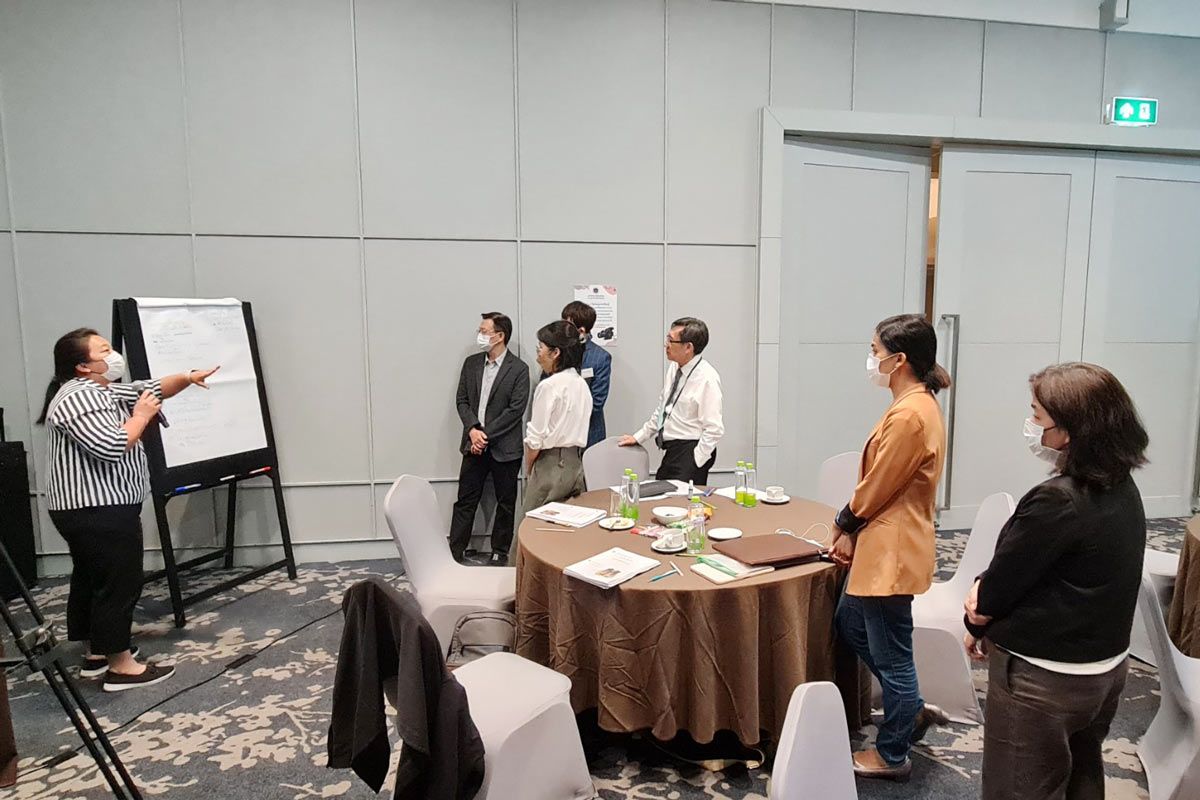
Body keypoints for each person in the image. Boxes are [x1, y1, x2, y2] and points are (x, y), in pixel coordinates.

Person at [964, 363, 1148, 800]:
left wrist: (976, 614)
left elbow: (999, 587)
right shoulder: (1123, 487)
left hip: (1043, 680)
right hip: (1106, 670)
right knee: (1083, 777)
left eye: (1037, 416)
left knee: (1018, 788)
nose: (1031, 426)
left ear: (1068, 431)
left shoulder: (1056, 500)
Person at [36, 328, 218, 692]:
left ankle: (97, 653)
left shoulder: (101, 389)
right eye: (104, 350)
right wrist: (141, 416)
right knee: (118, 583)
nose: (113, 355)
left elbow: (150, 389)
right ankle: (121, 667)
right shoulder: (76, 398)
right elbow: (112, 444)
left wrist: (187, 377)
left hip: (99, 507)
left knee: (94, 578)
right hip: (96, 508)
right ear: (83, 366)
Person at [829, 313, 950, 781]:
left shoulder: (912, 414)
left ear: (899, 360)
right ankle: (910, 707)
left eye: (875, 351)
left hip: (891, 551)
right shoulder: (910, 405)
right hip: (883, 541)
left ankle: (893, 751)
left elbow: (880, 483)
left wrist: (844, 523)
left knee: (893, 654)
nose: (871, 359)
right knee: (849, 622)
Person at [449, 312, 530, 565]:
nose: (480, 335)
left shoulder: (519, 369)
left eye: (484, 331)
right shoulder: (471, 363)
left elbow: (515, 410)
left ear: (500, 336)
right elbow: (462, 401)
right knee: (465, 499)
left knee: (506, 502)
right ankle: (455, 550)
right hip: (473, 443)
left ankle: (500, 551)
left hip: (504, 447)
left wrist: (485, 435)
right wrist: (473, 430)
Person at [618, 317, 723, 485]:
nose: (666, 345)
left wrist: (697, 459)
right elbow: (664, 409)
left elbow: (714, 429)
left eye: (671, 340)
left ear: (688, 347)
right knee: (661, 494)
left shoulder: (707, 378)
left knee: (679, 499)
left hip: (690, 450)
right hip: (672, 451)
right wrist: (640, 436)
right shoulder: (675, 367)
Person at [518, 321, 592, 525]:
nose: (538, 355)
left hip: (550, 464)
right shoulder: (582, 385)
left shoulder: (549, 386)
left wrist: (531, 469)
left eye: (540, 348)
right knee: (568, 529)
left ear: (556, 352)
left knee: (530, 527)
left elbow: (535, 438)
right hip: (575, 464)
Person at [561, 300, 611, 449]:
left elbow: (597, 401)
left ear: (581, 330)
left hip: (589, 434)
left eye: (567, 325)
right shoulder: (557, 352)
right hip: (559, 434)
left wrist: (567, 413)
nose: (562, 329)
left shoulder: (601, 357)